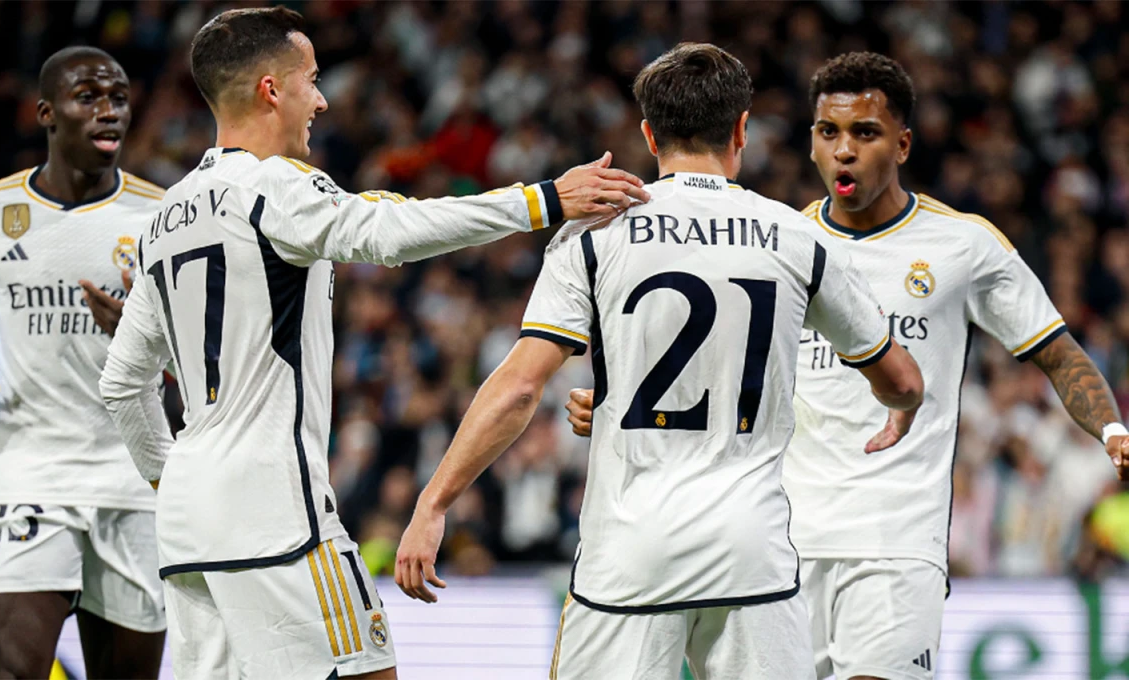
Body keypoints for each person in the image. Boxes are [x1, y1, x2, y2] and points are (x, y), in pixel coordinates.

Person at [97, 7, 648, 680]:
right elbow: (386, 233)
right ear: (271, 90)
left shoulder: (162, 222)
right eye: (312, 80)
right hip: (277, 509)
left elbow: (123, 386)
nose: (323, 100)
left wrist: (170, 478)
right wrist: (542, 202)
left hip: (187, 524)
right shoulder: (272, 186)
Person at [566, 52, 1129, 680]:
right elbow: (709, 368)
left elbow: (1056, 351)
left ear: (904, 143)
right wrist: (619, 402)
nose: (844, 150)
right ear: (809, 141)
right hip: (778, 545)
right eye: (828, 133)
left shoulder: (964, 245)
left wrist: (1113, 432)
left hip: (895, 540)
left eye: (865, 133)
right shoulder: (779, 242)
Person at [395, 43, 924, 680]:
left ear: (649, 134)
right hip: (750, 553)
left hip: (629, 554)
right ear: (742, 129)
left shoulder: (595, 234)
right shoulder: (797, 236)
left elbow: (518, 389)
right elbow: (898, 378)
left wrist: (434, 503)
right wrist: (903, 409)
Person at [0, 46, 168, 679]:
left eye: (117, 97)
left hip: (132, 484)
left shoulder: (162, 218)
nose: (108, 111)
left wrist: (143, 338)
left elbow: (208, 361)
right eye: (88, 98)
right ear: (45, 113)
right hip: (27, 480)